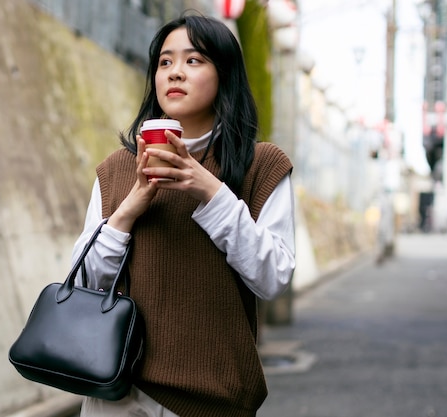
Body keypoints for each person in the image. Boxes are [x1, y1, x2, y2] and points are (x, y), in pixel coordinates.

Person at [70, 13, 295, 417]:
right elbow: (84, 281)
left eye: (193, 60)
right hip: (120, 394)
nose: (175, 73)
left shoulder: (260, 164)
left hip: (215, 402)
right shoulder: (119, 169)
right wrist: (132, 206)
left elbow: (273, 276)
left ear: (224, 73)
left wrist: (209, 189)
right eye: (165, 62)